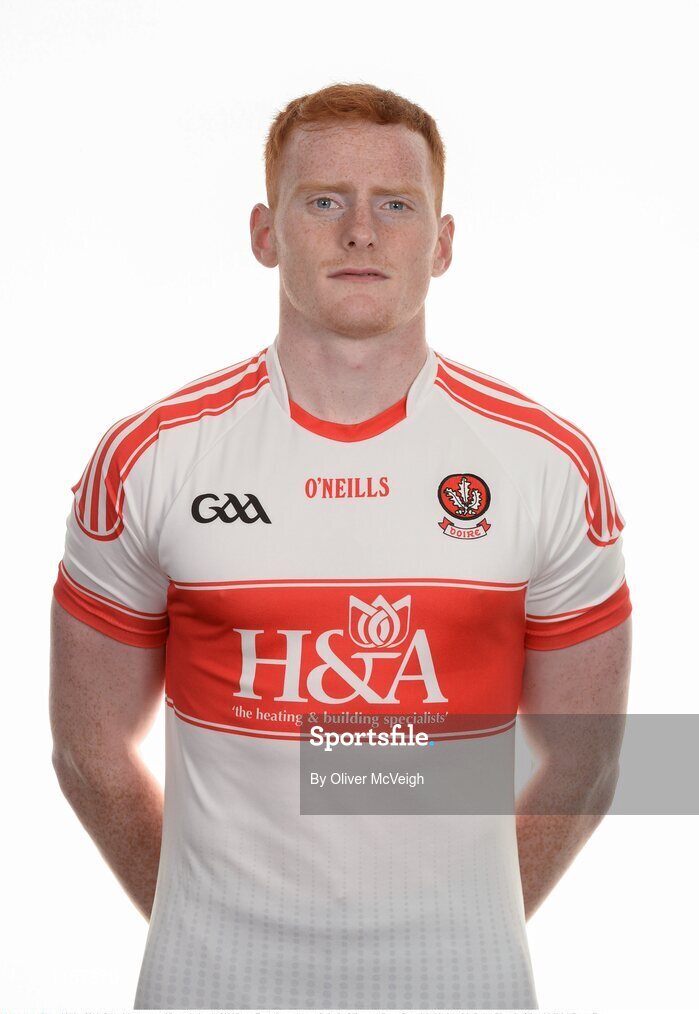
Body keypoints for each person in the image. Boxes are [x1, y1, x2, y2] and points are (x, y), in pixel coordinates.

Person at [50, 82, 632, 1011]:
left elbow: (590, 757)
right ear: (263, 233)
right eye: (323, 200)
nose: (361, 232)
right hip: (210, 989)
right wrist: (205, 920)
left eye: (395, 205)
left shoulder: (546, 465)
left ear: (442, 243)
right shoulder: (150, 457)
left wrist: (463, 922)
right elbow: (89, 747)